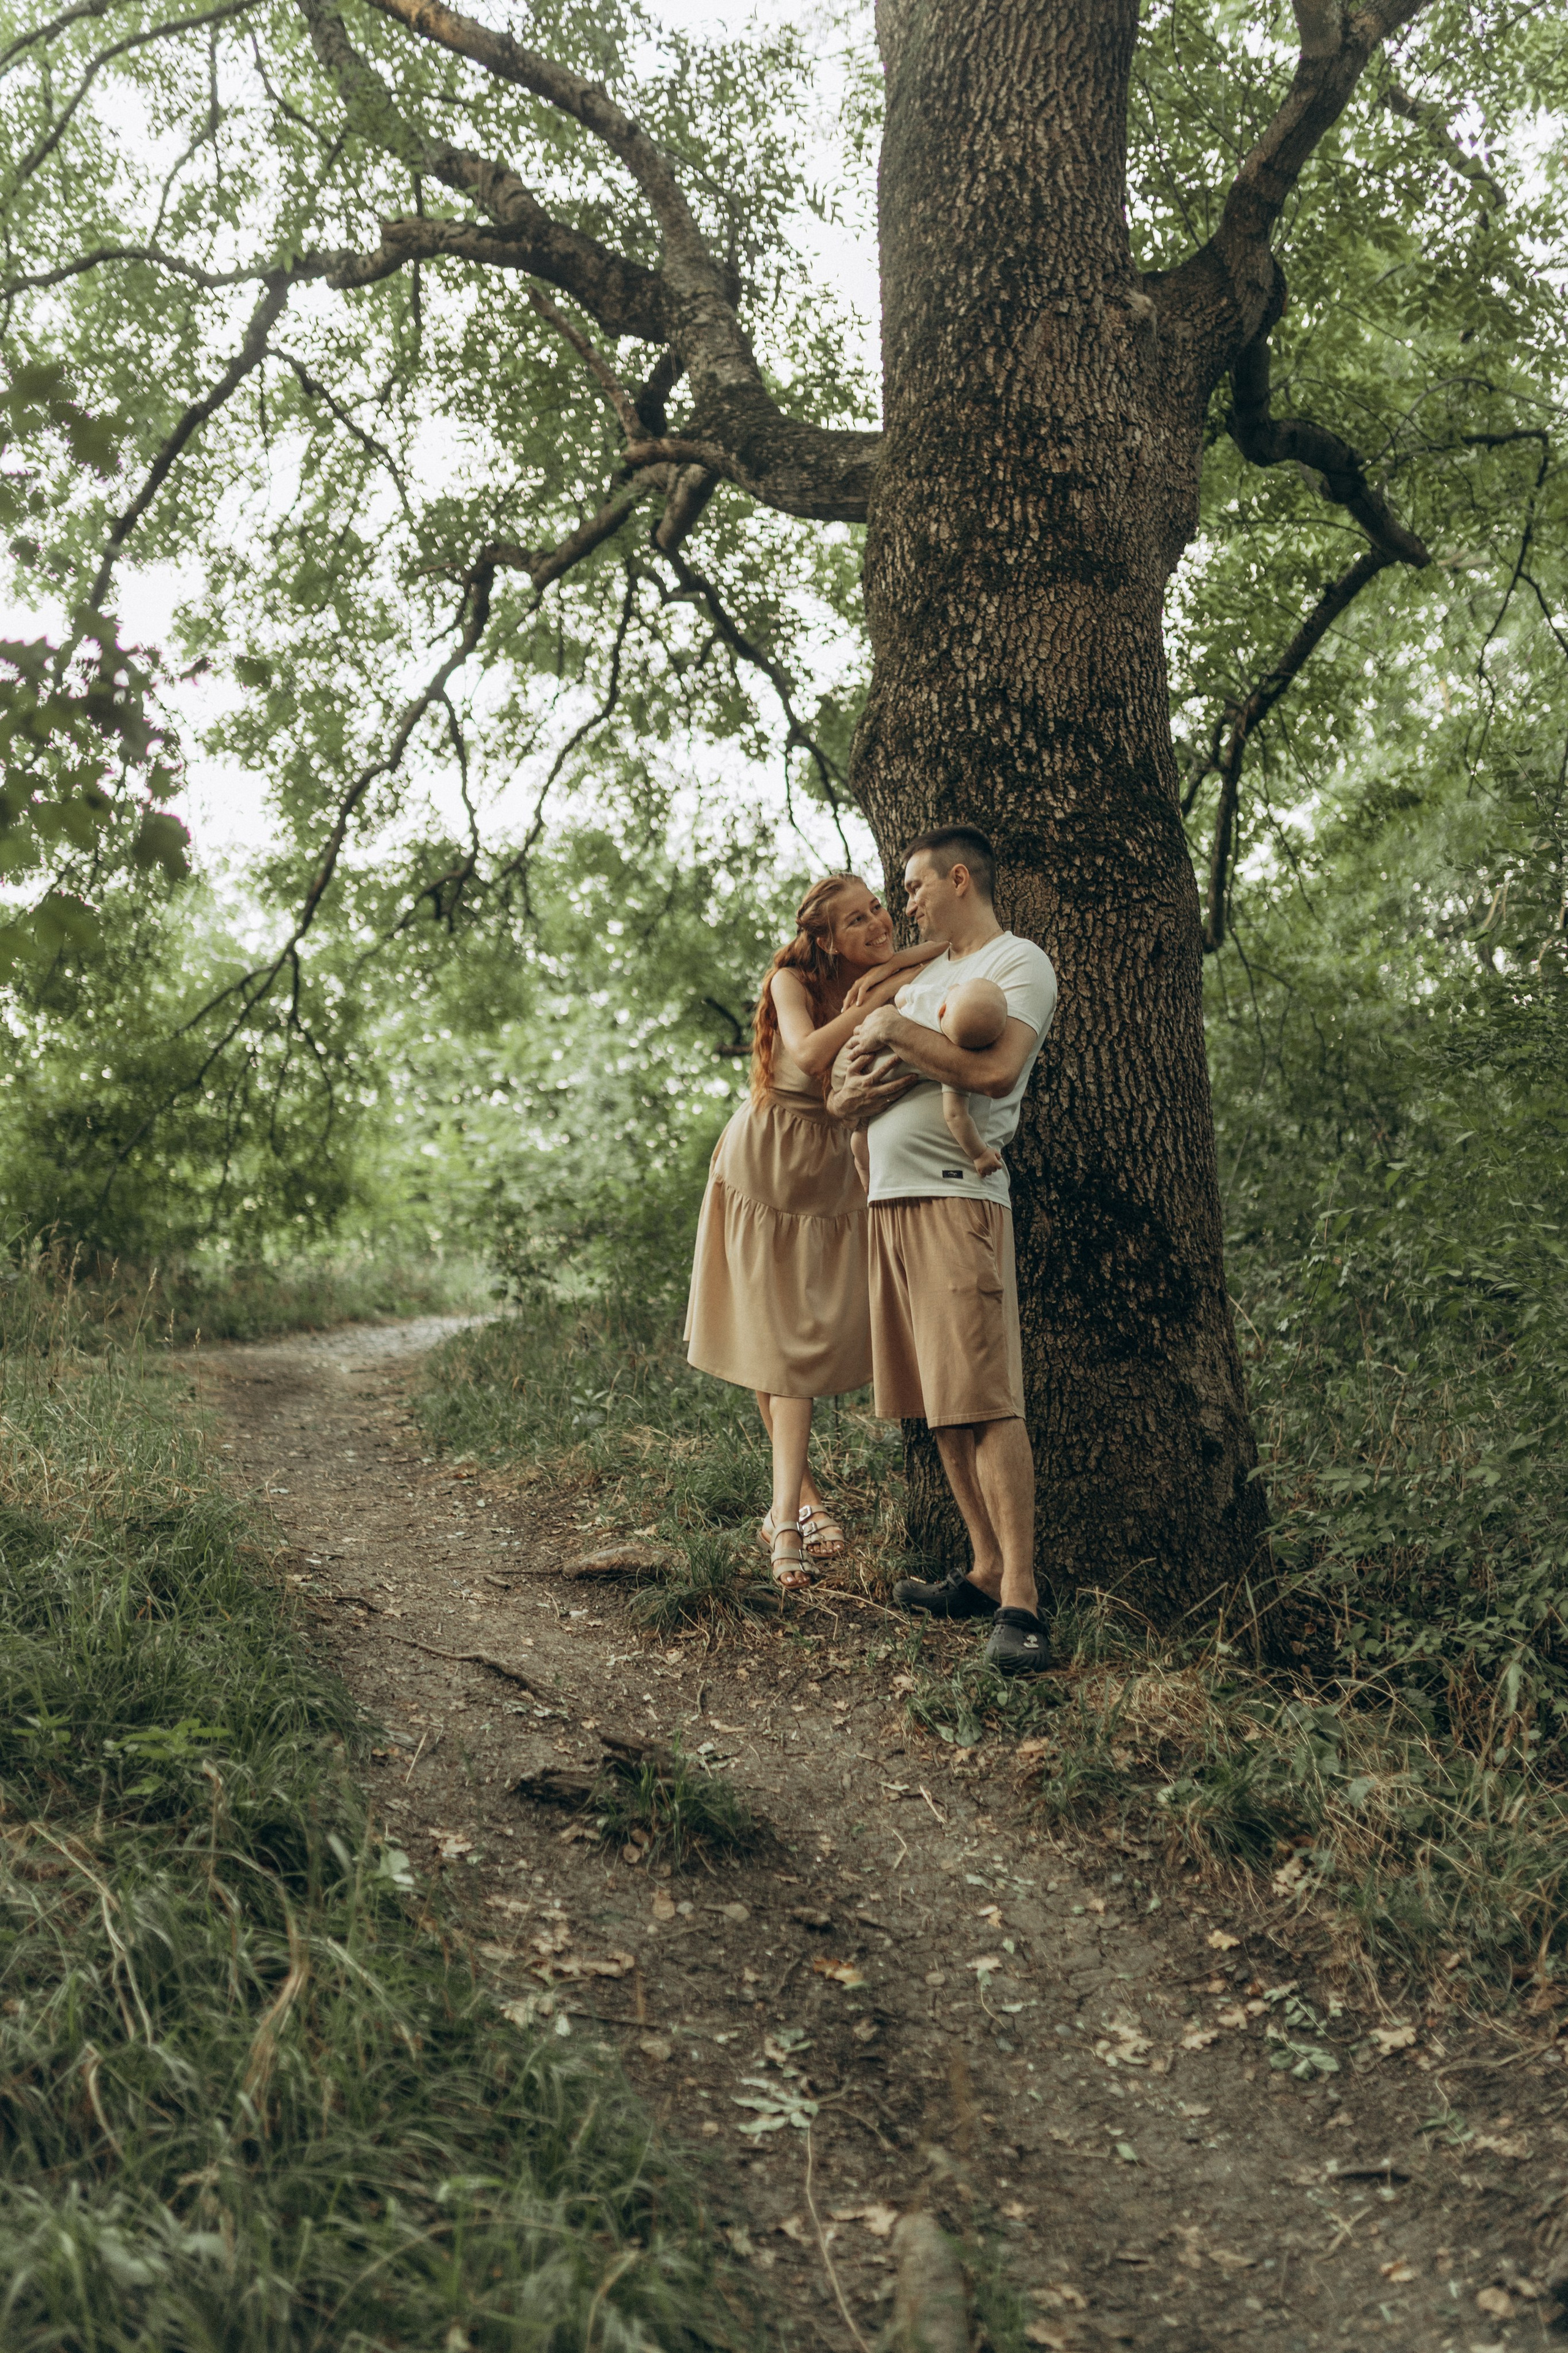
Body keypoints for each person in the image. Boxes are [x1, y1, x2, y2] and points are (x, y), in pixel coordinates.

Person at [829, 825, 1057, 1672]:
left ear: (960, 878)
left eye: (917, 886)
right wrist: (872, 1067)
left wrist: (895, 1032)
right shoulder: (927, 976)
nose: (907, 903)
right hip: (888, 1202)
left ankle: (1025, 1606)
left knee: (987, 1398)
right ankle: (984, 1568)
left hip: (960, 1200)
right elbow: (846, 1095)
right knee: (940, 1402)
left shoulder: (1015, 964)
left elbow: (994, 1073)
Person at [684, 875, 937, 1590]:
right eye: (854, 921)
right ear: (824, 938)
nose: (875, 924)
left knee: (789, 1342)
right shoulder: (793, 980)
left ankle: (793, 1505)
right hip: (764, 1169)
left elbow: (951, 943)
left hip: (829, 1176)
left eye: (877, 909)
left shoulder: (885, 970)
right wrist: (885, 990)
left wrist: (892, 969)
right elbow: (806, 1056)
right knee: (781, 1343)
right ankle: (788, 1517)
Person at [844, 976, 1011, 1190]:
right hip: (875, 1074)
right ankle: (867, 1174)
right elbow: (956, 1116)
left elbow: (902, 994)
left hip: (863, 1065)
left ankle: (863, 1169)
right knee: (863, 1130)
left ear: (943, 1010)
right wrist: (979, 1154)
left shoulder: (930, 998)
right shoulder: (950, 1064)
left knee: (862, 1127)